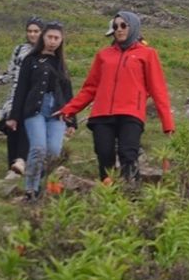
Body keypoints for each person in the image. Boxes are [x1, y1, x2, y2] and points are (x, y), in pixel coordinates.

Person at [58, 11, 174, 182]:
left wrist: (168, 123)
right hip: (102, 114)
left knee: (128, 153)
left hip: (131, 113)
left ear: (133, 27)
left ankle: (130, 193)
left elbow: (158, 90)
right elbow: (90, 88)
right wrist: (68, 110)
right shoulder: (103, 55)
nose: (118, 30)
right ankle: (108, 194)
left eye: (123, 25)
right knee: (104, 154)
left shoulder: (147, 54)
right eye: (115, 26)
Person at [5, 22, 76, 199]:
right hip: (35, 109)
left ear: (61, 40)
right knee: (38, 148)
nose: (52, 41)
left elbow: (68, 92)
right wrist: (14, 116)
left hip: (57, 111)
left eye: (56, 38)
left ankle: (43, 184)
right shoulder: (31, 60)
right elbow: (21, 88)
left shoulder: (61, 63)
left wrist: (71, 119)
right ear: (43, 37)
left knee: (53, 151)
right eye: (49, 37)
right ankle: (31, 190)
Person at [0, 17, 41, 178]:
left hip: (34, 95)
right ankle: (12, 166)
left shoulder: (46, 50)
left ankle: (22, 162)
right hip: (15, 94)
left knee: (25, 127)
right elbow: (11, 72)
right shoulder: (19, 49)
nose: (32, 34)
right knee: (12, 127)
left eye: (36, 31)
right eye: (30, 31)